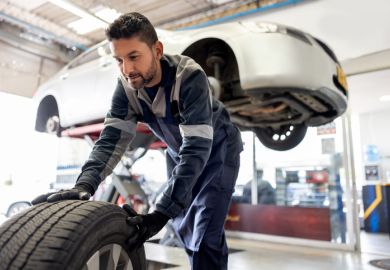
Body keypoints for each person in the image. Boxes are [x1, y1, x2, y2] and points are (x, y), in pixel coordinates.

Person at [32, 12, 243, 270]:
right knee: (185, 229)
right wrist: (86, 182)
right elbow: (111, 140)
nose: (127, 69)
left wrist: (161, 212)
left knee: (205, 233)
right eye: (119, 59)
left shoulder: (188, 77)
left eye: (134, 56)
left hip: (218, 149)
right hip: (179, 152)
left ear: (157, 50)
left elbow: (198, 147)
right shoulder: (127, 87)